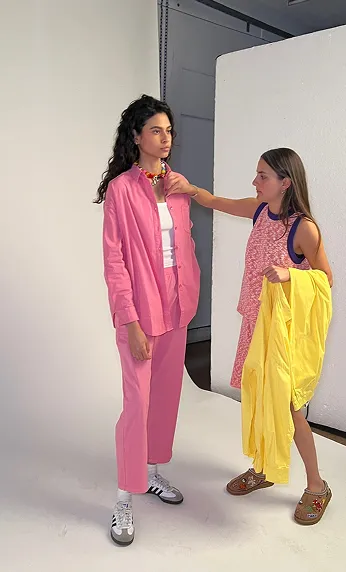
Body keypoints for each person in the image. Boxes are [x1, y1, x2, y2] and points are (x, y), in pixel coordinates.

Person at [167, 147, 333, 525]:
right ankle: (263, 468)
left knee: (288, 407)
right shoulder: (260, 210)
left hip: (280, 333)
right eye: (257, 174)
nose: (255, 182)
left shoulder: (303, 228)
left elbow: (325, 279)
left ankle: (317, 486)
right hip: (254, 324)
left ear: (285, 182)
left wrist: (291, 275)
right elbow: (216, 201)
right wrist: (189, 189)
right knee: (257, 398)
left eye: (262, 176)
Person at [96, 94, 200, 546]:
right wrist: (130, 321)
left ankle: (153, 472)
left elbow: (182, 245)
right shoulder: (121, 190)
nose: (165, 138)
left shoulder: (177, 186)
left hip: (177, 306)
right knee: (137, 404)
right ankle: (124, 495)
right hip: (140, 312)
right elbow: (115, 261)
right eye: (156, 130)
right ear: (136, 136)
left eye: (169, 130)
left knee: (165, 397)